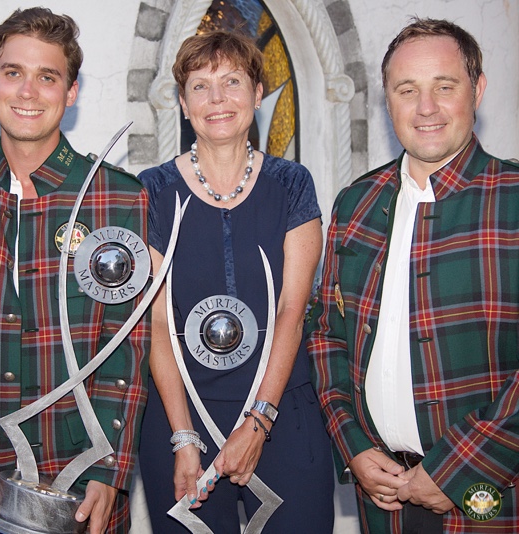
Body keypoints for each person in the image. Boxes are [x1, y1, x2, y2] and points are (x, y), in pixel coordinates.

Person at [0, 7, 149, 534]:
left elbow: (127, 343)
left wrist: (107, 468)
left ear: (71, 92)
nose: (27, 91)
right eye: (13, 72)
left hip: (83, 471)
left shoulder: (118, 196)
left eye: (48, 77)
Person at [308, 17, 519, 533]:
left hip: (492, 496)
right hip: (382, 502)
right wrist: (352, 445)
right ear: (388, 100)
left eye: (444, 87)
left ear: (477, 90)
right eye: (407, 90)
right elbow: (326, 335)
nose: (426, 107)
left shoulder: (512, 199)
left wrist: (456, 470)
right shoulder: (356, 204)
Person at [137, 30, 335, 533]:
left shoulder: (292, 184)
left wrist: (259, 421)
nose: (217, 98)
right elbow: (154, 322)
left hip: (281, 409)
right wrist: (183, 437)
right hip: (181, 413)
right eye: (200, 87)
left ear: (258, 93)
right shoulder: (153, 190)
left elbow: (292, 310)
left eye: (232, 82)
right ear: (184, 105)